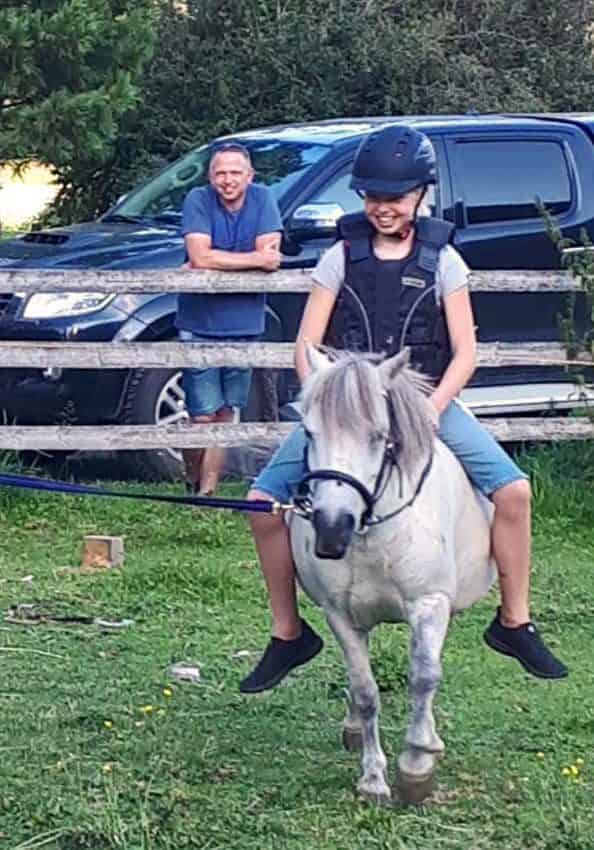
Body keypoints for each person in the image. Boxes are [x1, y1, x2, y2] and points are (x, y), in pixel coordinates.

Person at [238, 125, 568, 694]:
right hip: (346, 405)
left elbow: (465, 352)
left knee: (514, 491)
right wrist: (324, 398)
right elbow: (306, 344)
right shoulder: (340, 258)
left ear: (420, 196)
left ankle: (514, 620)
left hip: (420, 400)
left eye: (394, 197)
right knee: (262, 504)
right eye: (372, 196)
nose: (382, 207)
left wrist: (436, 406)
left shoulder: (445, 262)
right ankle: (288, 631)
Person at [179, 142, 283, 494]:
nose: (228, 180)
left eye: (235, 172)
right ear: (210, 177)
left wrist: (214, 259)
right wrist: (253, 259)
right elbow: (200, 256)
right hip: (199, 322)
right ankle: (192, 476)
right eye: (220, 173)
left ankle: (207, 490)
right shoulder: (197, 199)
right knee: (201, 413)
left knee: (227, 411)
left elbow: (271, 254)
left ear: (250, 176)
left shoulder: (264, 198)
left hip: (246, 322)